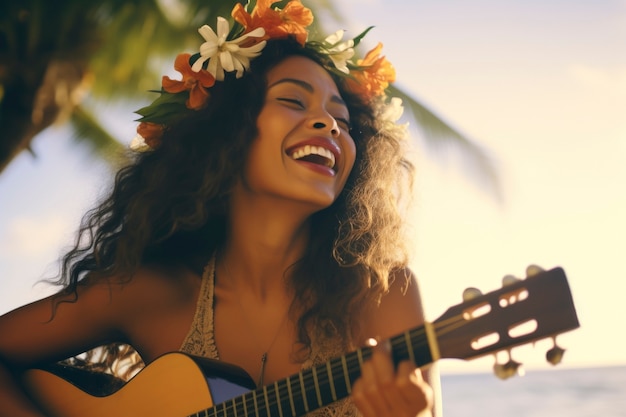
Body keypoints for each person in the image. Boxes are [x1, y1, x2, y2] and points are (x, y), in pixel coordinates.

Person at [0, 1, 439, 416]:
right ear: (225, 134)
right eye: (292, 100)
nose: (329, 124)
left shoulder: (380, 293)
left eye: (342, 121)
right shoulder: (153, 295)